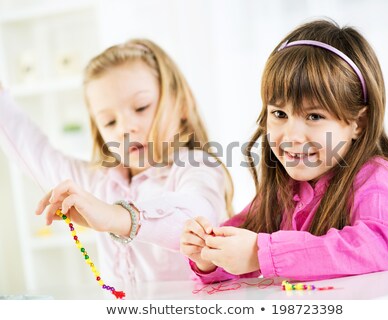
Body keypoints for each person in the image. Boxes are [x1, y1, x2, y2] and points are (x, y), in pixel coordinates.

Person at [180, 19, 388, 283]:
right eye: (279, 113)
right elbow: (242, 239)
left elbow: (378, 250)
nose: (293, 136)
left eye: (314, 116)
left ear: (359, 123)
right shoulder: (284, 189)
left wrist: (262, 253)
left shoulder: (377, 178)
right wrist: (208, 252)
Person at [0, 39, 233, 288]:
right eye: (110, 122)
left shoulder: (197, 166)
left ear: (182, 106)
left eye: (141, 107)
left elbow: (195, 220)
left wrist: (116, 216)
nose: (125, 128)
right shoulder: (98, 181)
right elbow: (33, 151)